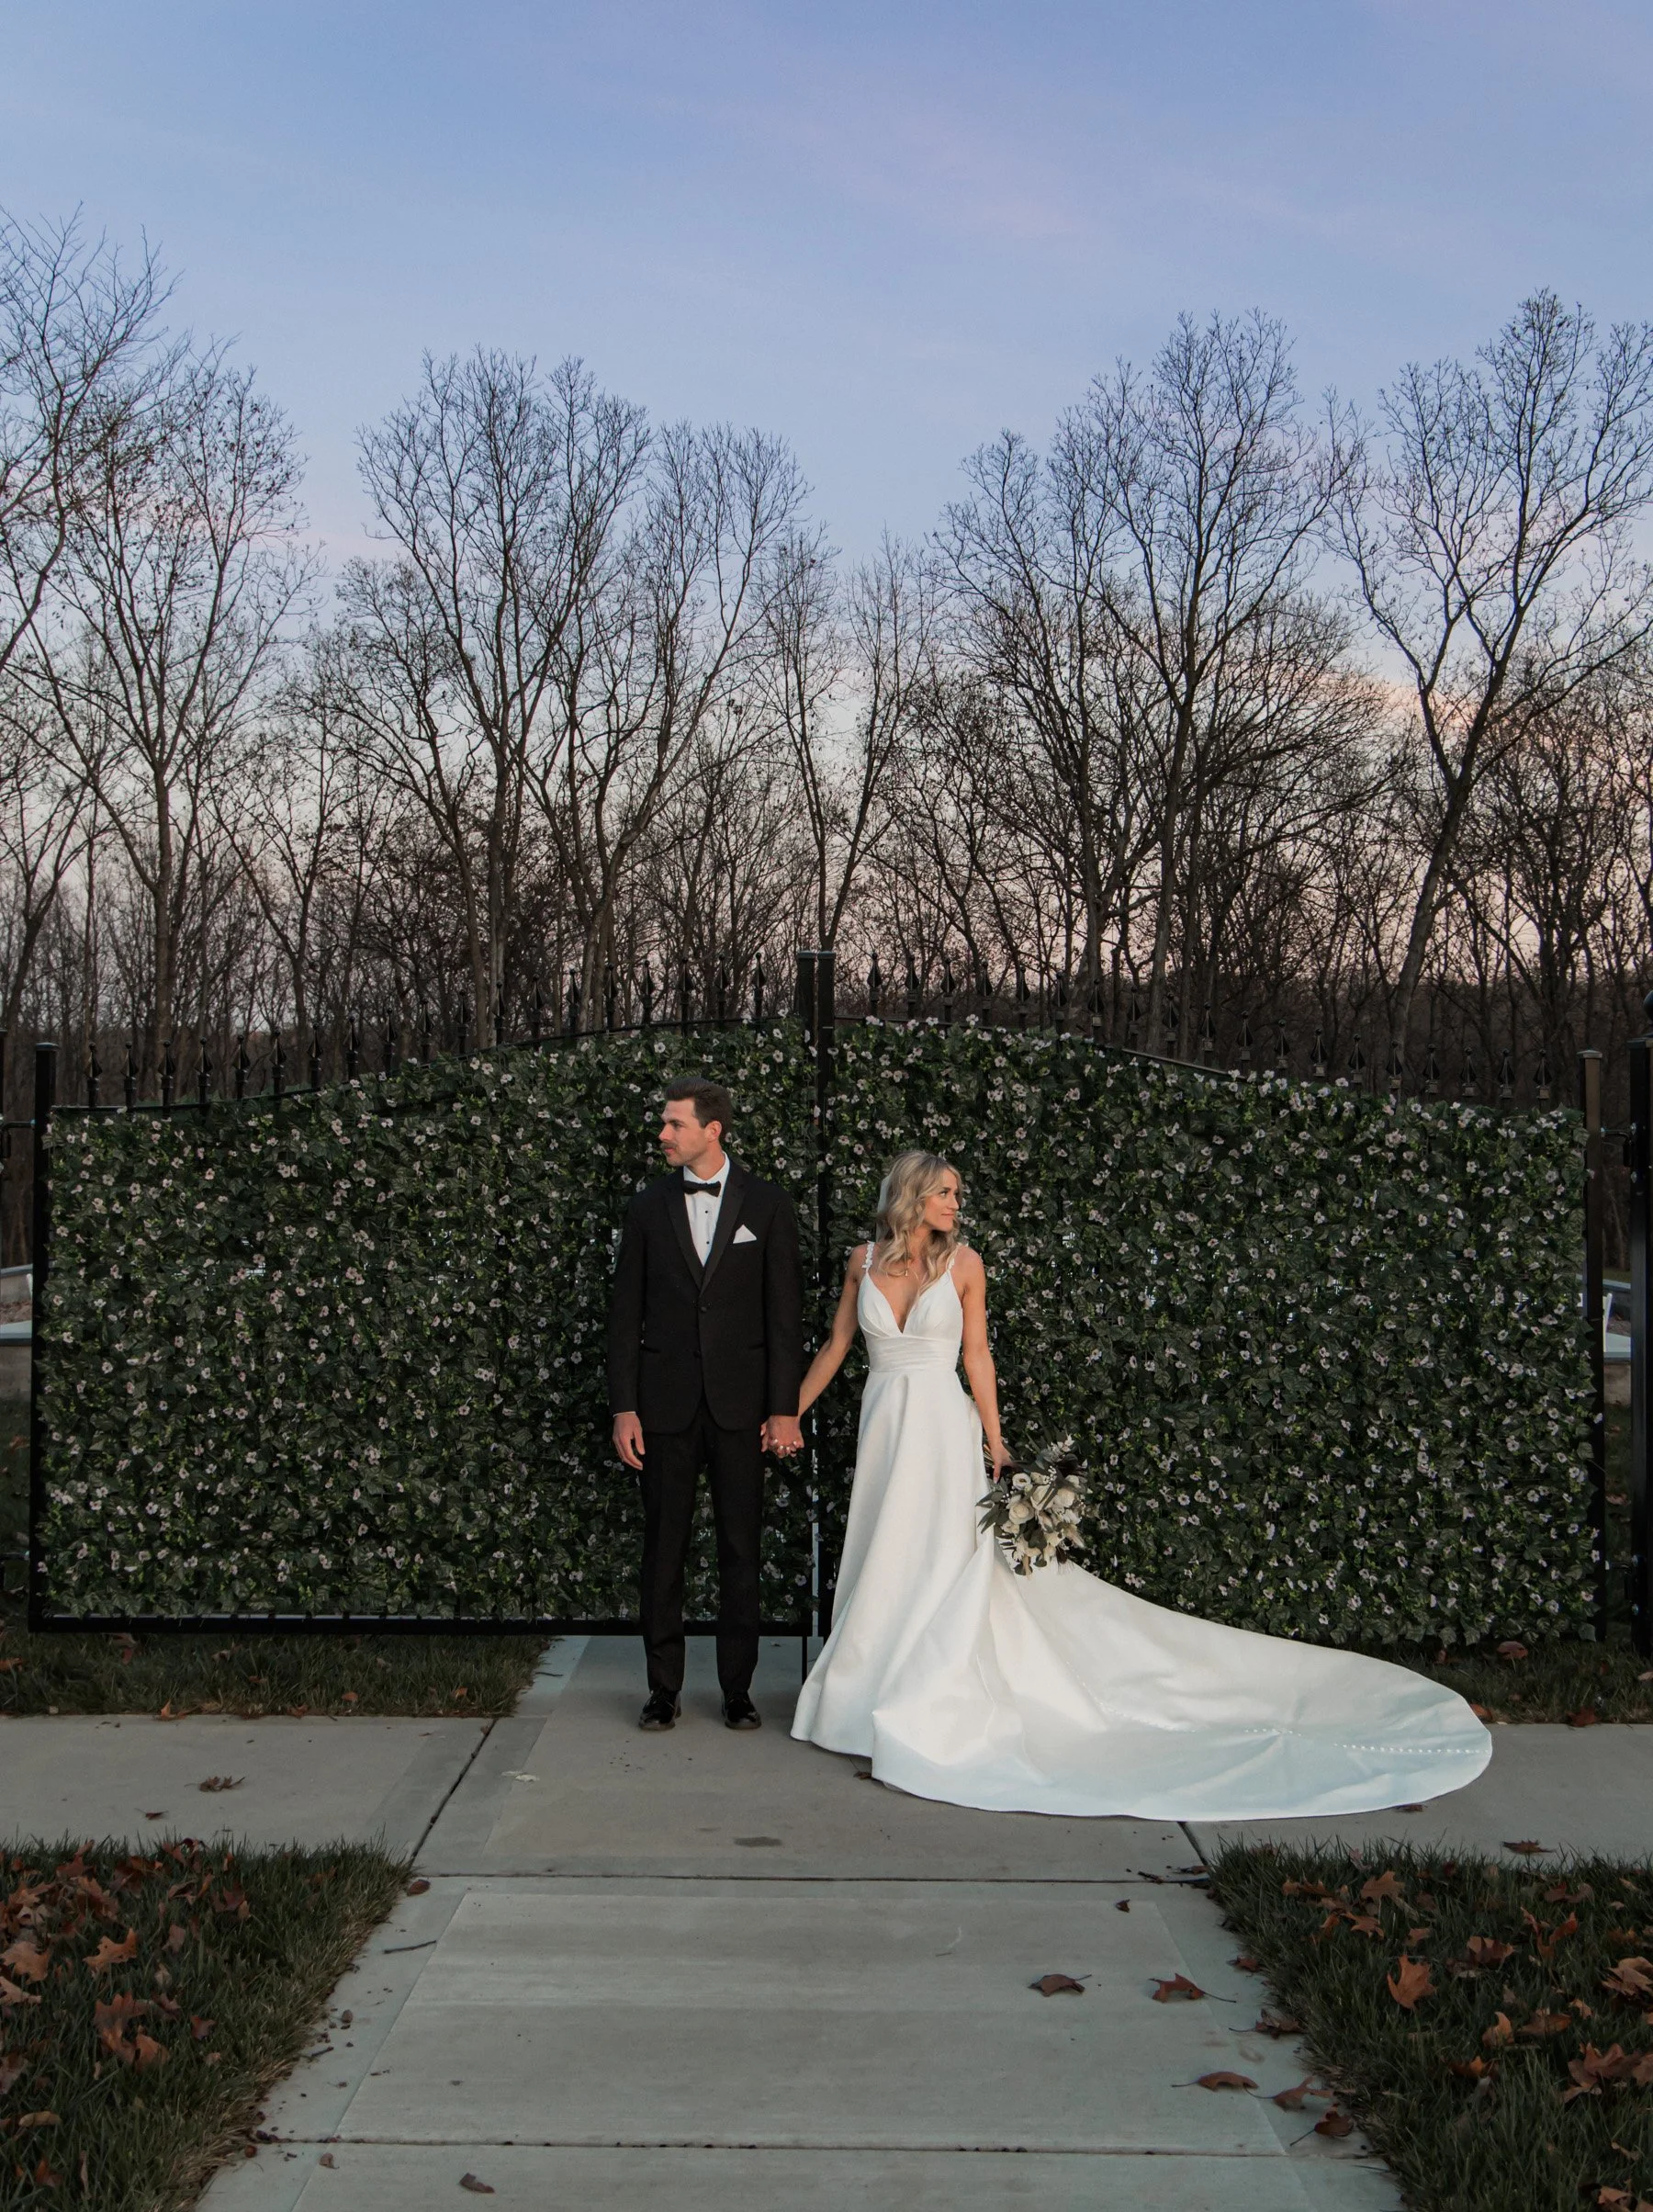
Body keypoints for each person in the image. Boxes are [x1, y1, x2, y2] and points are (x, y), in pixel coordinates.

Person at [791, 1149, 1491, 1819]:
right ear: (913, 1194)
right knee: (886, 1544)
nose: (956, 1203)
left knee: (942, 1554)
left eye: (957, 1194)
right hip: (884, 1423)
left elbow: (977, 1354)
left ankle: (926, 1690)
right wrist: (789, 1410)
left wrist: (995, 1439)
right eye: (945, 1192)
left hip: (943, 1427)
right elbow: (837, 1347)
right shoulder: (862, 1262)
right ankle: (867, 1685)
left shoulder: (966, 1264)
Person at [608, 1078, 804, 1732]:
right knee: (663, 1551)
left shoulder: (770, 1207)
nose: (662, 1135)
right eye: (663, 1124)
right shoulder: (645, 1209)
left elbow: (784, 1317)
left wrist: (783, 1409)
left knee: (739, 1551)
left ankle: (737, 1692)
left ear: (711, 1130)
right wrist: (624, 1407)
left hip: (742, 1410)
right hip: (663, 1410)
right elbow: (624, 1317)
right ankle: (662, 1691)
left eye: (674, 1124)